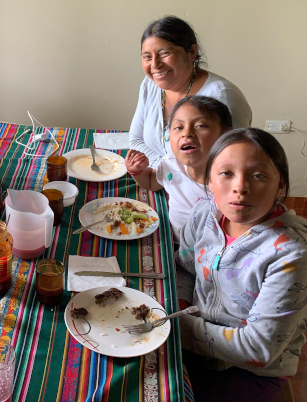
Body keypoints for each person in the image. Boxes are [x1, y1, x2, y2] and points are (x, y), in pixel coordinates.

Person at [176, 128, 307, 401]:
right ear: (209, 180)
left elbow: (259, 349)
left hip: (248, 371)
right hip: (193, 336)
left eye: (258, 175)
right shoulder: (205, 212)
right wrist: (178, 306)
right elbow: (185, 267)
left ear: (280, 185)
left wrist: (175, 328)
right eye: (226, 173)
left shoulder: (290, 254)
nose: (240, 187)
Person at [129, 15, 252, 167]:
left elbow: (233, 161)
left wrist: (171, 177)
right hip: (156, 179)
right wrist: (164, 174)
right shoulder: (150, 84)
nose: (155, 64)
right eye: (147, 57)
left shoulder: (222, 95)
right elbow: (136, 140)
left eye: (164, 53)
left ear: (192, 52)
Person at [125, 95, 232, 235]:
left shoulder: (233, 182)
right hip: (174, 245)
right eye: (178, 127)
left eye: (200, 126)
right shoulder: (171, 165)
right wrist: (137, 171)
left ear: (225, 135)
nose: (187, 133)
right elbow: (152, 182)